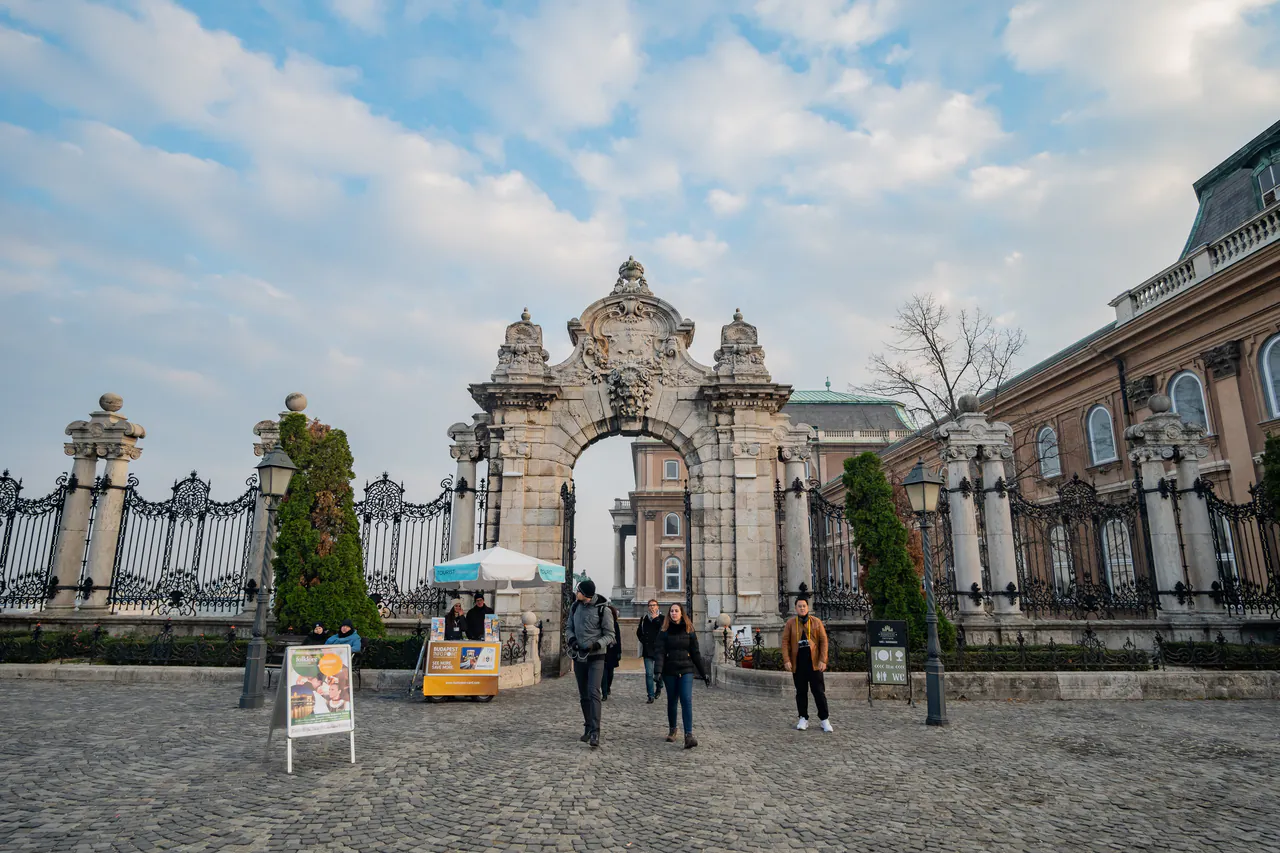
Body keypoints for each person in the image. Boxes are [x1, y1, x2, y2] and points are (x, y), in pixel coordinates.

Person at [564, 578, 616, 749]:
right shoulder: (574, 607)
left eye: (578, 590)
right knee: (583, 695)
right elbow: (569, 627)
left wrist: (596, 644)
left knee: (594, 692)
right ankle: (588, 726)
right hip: (579, 656)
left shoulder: (604, 610)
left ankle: (595, 731)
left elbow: (610, 635)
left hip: (596, 657)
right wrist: (572, 640)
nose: (576, 592)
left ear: (585, 594)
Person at [653, 602, 709, 749]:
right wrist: (657, 671)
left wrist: (703, 673)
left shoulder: (689, 629)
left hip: (686, 669)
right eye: (671, 611)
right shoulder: (664, 631)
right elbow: (659, 652)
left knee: (686, 699)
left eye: (676, 611)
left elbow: (696, 653)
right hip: (669, 670)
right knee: (672, 700)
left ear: (681, 613)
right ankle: (672, 728)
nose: (673, 613)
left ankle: (688, 735)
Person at [781, 596, 832, 732]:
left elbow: (823, 641)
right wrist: (786, 660)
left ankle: (824, 719)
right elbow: (785, 642)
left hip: (814, 663)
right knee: (801, 692)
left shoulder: (816, 622)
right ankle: (803, 717)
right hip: (799, 663)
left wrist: (823, 659)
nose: (802, 608)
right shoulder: (791, 623)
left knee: (819, 692)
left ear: (808, 607)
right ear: (796, 608)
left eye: (804, 606)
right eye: (799, 606)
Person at [636, 599, 663, 703]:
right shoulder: (644, 619)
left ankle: (659, 686)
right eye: (650, 605)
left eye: (654, 605)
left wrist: (656, 619)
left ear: (657, 606)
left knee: (659, 672)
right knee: (649, 673)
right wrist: (643, 640)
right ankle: (650, 695)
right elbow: (639, 632)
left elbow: (663, 630)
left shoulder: (662, 618)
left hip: (659, 650)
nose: (652, 607)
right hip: (648, 650)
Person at [601, 602, 622, 701]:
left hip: (612, 651)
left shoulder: (615, 624)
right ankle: (604, 692)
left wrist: (619, 652)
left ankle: (608, 687)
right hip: (603, 650)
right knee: (603, 673)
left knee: (610, 673)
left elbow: (618, 638)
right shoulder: (600, 623)